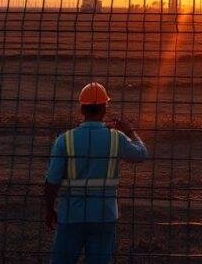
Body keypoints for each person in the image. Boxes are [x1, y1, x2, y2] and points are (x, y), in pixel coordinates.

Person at [44, 82, 148, 264]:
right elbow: (141, 154)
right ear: (104, 109)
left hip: (71, 215)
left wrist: (49, 209)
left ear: (82, 109)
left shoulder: (65, 140)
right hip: (104, 215)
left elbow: (52, 181)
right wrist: (130, 131)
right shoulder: (117, 138)